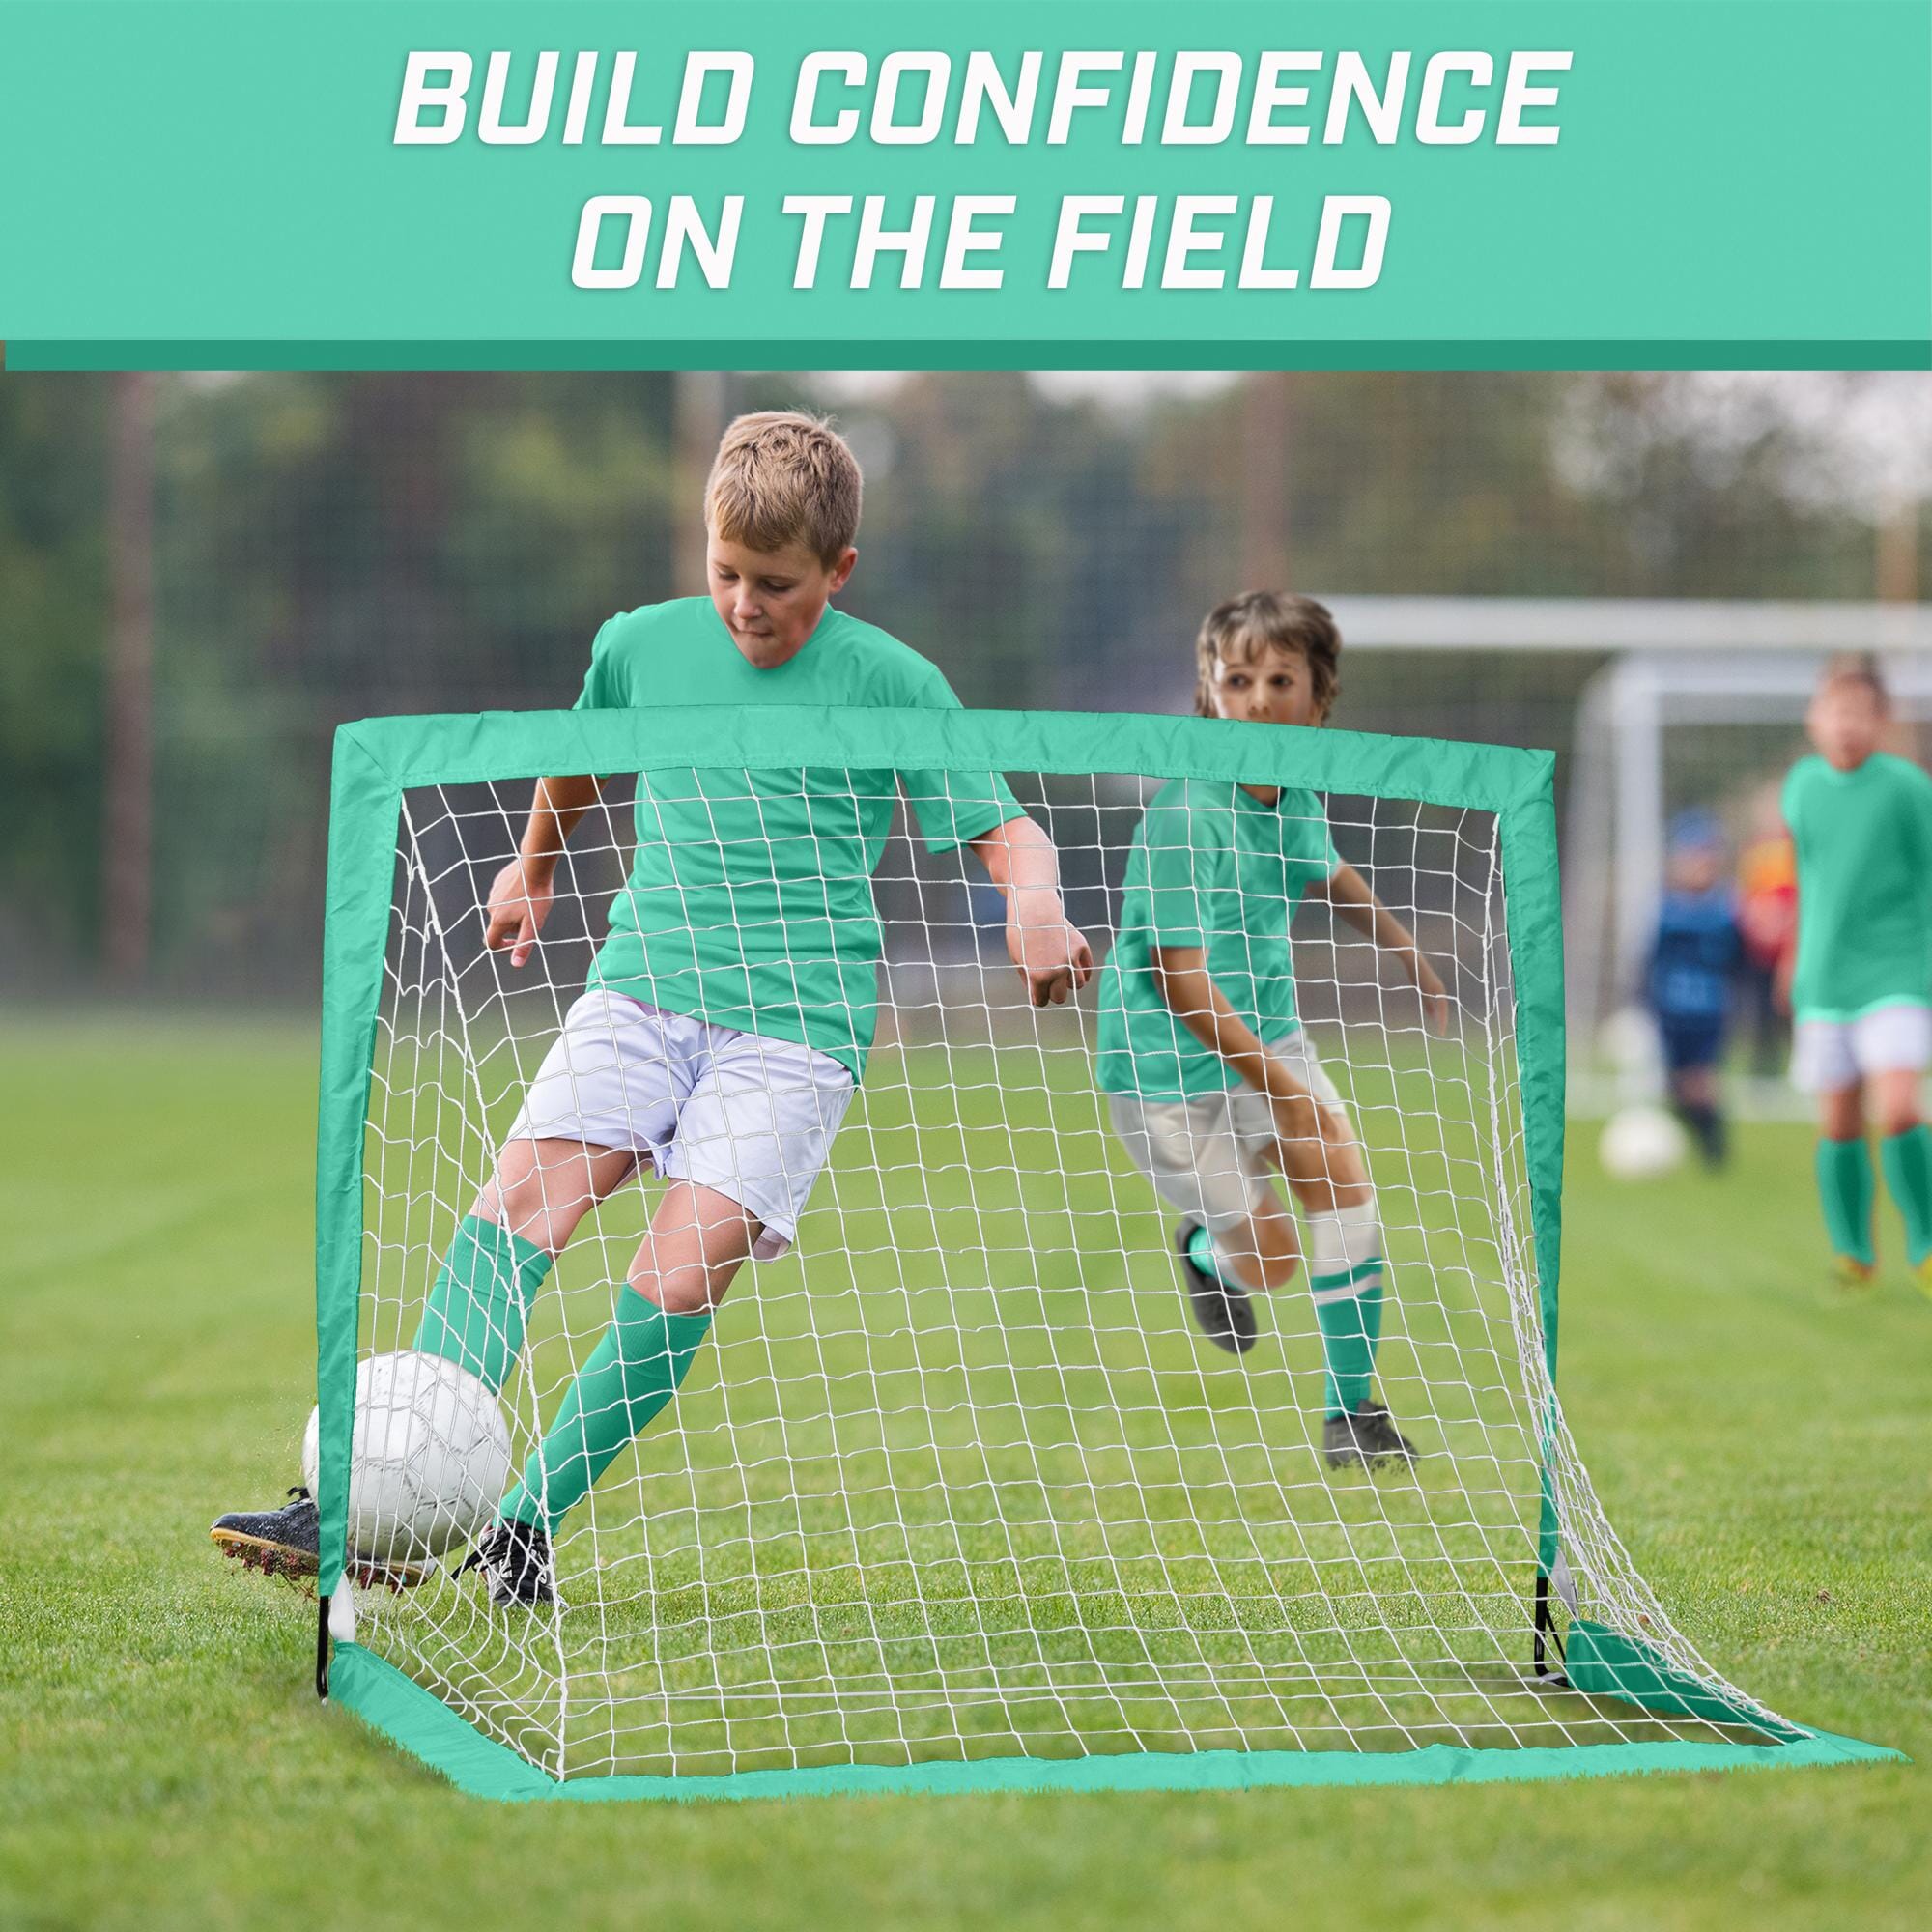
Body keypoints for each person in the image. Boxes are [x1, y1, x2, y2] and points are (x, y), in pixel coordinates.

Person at [213, 411, 1094, 1602]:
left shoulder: (895, 683)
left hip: (793, 1033)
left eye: (775, 585)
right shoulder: (640, 643)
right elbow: (581, 753)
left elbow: (1008, 829)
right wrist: (534, 862)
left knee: (680, 1275)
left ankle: (522, 1527)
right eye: (724, 573)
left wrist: (1032, 909)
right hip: (641, 988)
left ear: (838, 571)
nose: (744, 604)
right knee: (518, 1205)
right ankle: (364, 1498)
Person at [1094, 591, 1449, 1470]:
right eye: (1237, 678)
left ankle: (1352, 1417)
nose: (1257, 698)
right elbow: (1181, 987)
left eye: (1280, 678)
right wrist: (1282, 1088)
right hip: (1164, 1070)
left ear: (1319, 700)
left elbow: (1328, 876)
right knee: (1275, 1261)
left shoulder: (1290, 795)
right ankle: (1206, 1250)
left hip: (1270, 1038)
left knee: (1344, 1179)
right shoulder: (1185, 816)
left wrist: (1405, 948)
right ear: (1208, 694)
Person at [1781, 656, 1932, 1293]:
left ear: (1882, 721)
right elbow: (1810, 882)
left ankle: (1925, 1244)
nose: (1846, 726)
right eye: (1835, 713)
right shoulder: (1802, 789)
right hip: (1825, 978)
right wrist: (1795, 954)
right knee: (1839, 1122)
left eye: (1859, 715)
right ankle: (1853, 1251)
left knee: (1897, 1108)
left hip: (1898, 969)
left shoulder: (1907, 789)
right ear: (1815, 720)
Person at [1645, 809, 1741, 1168]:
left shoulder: (1726, 910)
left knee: (1702, 1081)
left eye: (1707, 857)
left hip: (1708, 1012)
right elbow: (1648, 962)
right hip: (1671, 1012)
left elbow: (1739, 961)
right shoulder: (1665, 910)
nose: (1701, 865)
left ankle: (1716, 1151)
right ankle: (1695, 1133)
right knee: (1677, 1086)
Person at [1735, 785, 1798, 1079]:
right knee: (1761, 1011)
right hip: (1761, 950)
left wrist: (1785, 925)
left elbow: (1800, 897)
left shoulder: (1794, 850)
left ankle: (1800, 1067)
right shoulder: (1755, 852)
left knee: (1792, 1011)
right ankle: (1765, 1070)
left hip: (1789, 948)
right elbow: (1747, 898)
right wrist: (1760, 924)